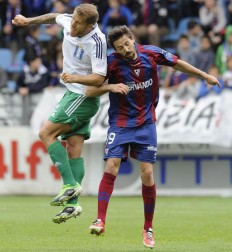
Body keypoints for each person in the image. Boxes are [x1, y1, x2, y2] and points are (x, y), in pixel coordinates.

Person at [61, 25, 220, 248]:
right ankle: (100, 220)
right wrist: (111, 87)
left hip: (146, 123)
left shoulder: (150, 53)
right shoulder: (112, 63)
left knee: (147, 173)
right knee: (111, 167)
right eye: (119, 47)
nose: (125, 49)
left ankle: (148, 228)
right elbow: (90, 90)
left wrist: (205, 76)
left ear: (132, 39)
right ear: (114, 50)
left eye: (127, 44)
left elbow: (178, 63)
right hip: (121, 123)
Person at [12, 3, 107, 223]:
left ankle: (70, 185)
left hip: (82, 96)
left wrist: (75, 78)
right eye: (72, 19)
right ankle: (72, 206)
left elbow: (99, 78)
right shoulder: (70, 21)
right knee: (73, 148)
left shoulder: (97, 41)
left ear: (90, 25)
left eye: (78, 23)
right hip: (71, 94)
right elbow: (55, 16)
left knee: (45, 134)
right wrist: (29, 20)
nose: (72, 24)